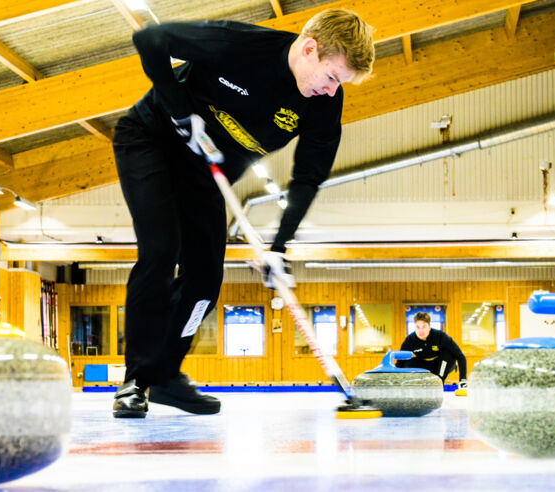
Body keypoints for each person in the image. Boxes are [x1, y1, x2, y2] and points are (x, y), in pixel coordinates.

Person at [111, 9, 375, 418]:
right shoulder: (241, 45)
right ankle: (135, 380)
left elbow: (308, 176)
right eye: (332, 77)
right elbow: (151, 40)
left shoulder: (324, 105)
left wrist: (279, 247)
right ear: (310, 49)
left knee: (205, 276)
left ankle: (164, 375)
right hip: (152, 141)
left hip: (204, 172)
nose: (332, 90)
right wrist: (180, 110)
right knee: (161, 252)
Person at [399, 312, 467, 388]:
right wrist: (397, 382)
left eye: (424, 327)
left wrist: (463, 380)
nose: (421, 331)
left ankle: (439, 381)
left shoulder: (440, 336)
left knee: (449, 354)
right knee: (407, 363)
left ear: (429, 327)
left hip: (442, 364)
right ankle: (419, 383)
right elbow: (400, 362)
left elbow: (460, 356)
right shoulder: (410, 340)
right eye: (418, 327)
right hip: (425, 366)